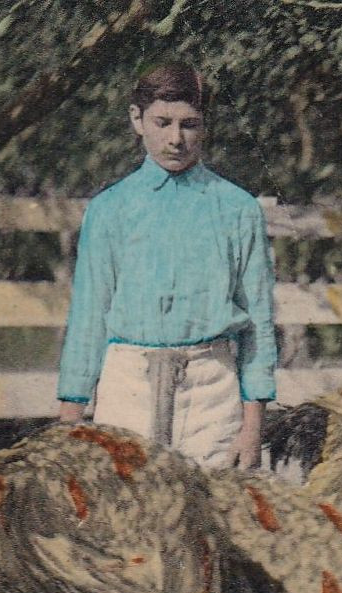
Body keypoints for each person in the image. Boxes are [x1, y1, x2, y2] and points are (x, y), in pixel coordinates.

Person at [56, 62, 276, 472]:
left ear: (206, 126)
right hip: (128, 388)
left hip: (211, 390)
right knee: (127, 518)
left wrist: (252, 426)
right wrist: (69, 423)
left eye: (189, 124)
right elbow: (88, 318)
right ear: (137, 120)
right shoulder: (110, 210)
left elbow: (258, 322)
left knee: (211, 520)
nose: (175, 139)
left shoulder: (237, 209)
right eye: (163, 122)